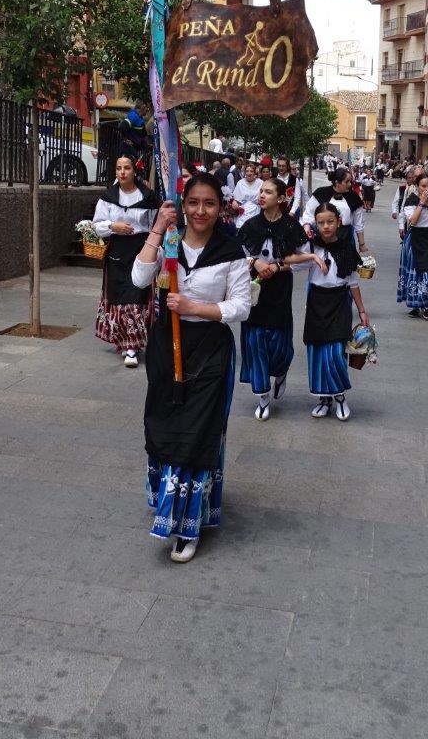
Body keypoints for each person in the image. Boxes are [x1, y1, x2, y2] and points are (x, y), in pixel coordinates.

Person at [132, 173, 251, 563]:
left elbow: (241, 306)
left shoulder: (231, 251)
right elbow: (139, 277)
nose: (201, 211)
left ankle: (187, 526)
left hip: (210, 352)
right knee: (165, 425)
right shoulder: (169, 243)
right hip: (168, 347)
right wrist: (157, 228)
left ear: (221, 209)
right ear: (183, 206)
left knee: (197, 432)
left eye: (210, 203)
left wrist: (194, 307)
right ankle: (166, 501)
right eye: (194, 202)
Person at [237, 178, 314, 421]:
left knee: (281, 347)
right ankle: (262, 396)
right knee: (255, 342)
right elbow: (236, 255)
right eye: (261, 191)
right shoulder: (250, 225)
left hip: (280, 290)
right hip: (254, 289)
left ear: (281, 198)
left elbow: (305, 260)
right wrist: (254, 262)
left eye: (268, 192)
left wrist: (278, 267)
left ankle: (281, 372)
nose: (262, 195)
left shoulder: (292, 226)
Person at [302, 202, 369, 421]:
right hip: (316, 302)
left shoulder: (346, 248)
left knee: (335, 353)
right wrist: (311, 256)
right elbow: (289, 261)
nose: (326, 226)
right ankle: (324, 399)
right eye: (321, 222)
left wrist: (361, 311)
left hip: (339, 302)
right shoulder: (310, 247)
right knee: (317, 352)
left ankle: (339, 396)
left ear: (339, 222)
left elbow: (353, 282)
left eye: (330, 221)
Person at [93, 156, 160, 368]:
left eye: (127, 168)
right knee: (118, 297)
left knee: (136, 295)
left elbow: (156, 225)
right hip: (117, 252)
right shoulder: (108, 197)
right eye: (118, 168)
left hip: (141, 250)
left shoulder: (148, 197)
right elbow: (97, 225)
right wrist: (113, 226)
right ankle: (124, 341)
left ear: (134, 171)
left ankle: (132, 346)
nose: (122, 172)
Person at [399, 174, 428, 321]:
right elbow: (412, 221)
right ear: (417, 186)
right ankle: (417, 305)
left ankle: (425, 304)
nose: (426, 189)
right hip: (415, 237)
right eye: (423, 186)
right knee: (415, 273)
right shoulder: (411, 200)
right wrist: (421, 203)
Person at [304, 167, 367, 252]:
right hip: (322, 237)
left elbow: (358, 222)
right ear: (337, 182)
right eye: (347, 182)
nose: (350, 184)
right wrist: (307, 226)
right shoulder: (321, 193)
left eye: (350, 181)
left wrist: (362, 244)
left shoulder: (354, 197)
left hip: (345, 238)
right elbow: (309, 213)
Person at [229, 162, 262, 229]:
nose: (249, 173)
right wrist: (234, 202)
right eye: (247, 171)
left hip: (256, 211)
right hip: (243, 211)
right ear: (245, 173)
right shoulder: (240, 183)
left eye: (251, 171)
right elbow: (235, 198)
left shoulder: (260, 182)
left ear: (254, 173)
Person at [274, 156, 305, 220]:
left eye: (283, 166)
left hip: (290, 211)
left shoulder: (294, 179)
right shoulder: (273, 178)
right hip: (275, 212)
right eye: (279, 166)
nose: (281, 168)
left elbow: (297, 197)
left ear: (287, 166)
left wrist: (292, 212)